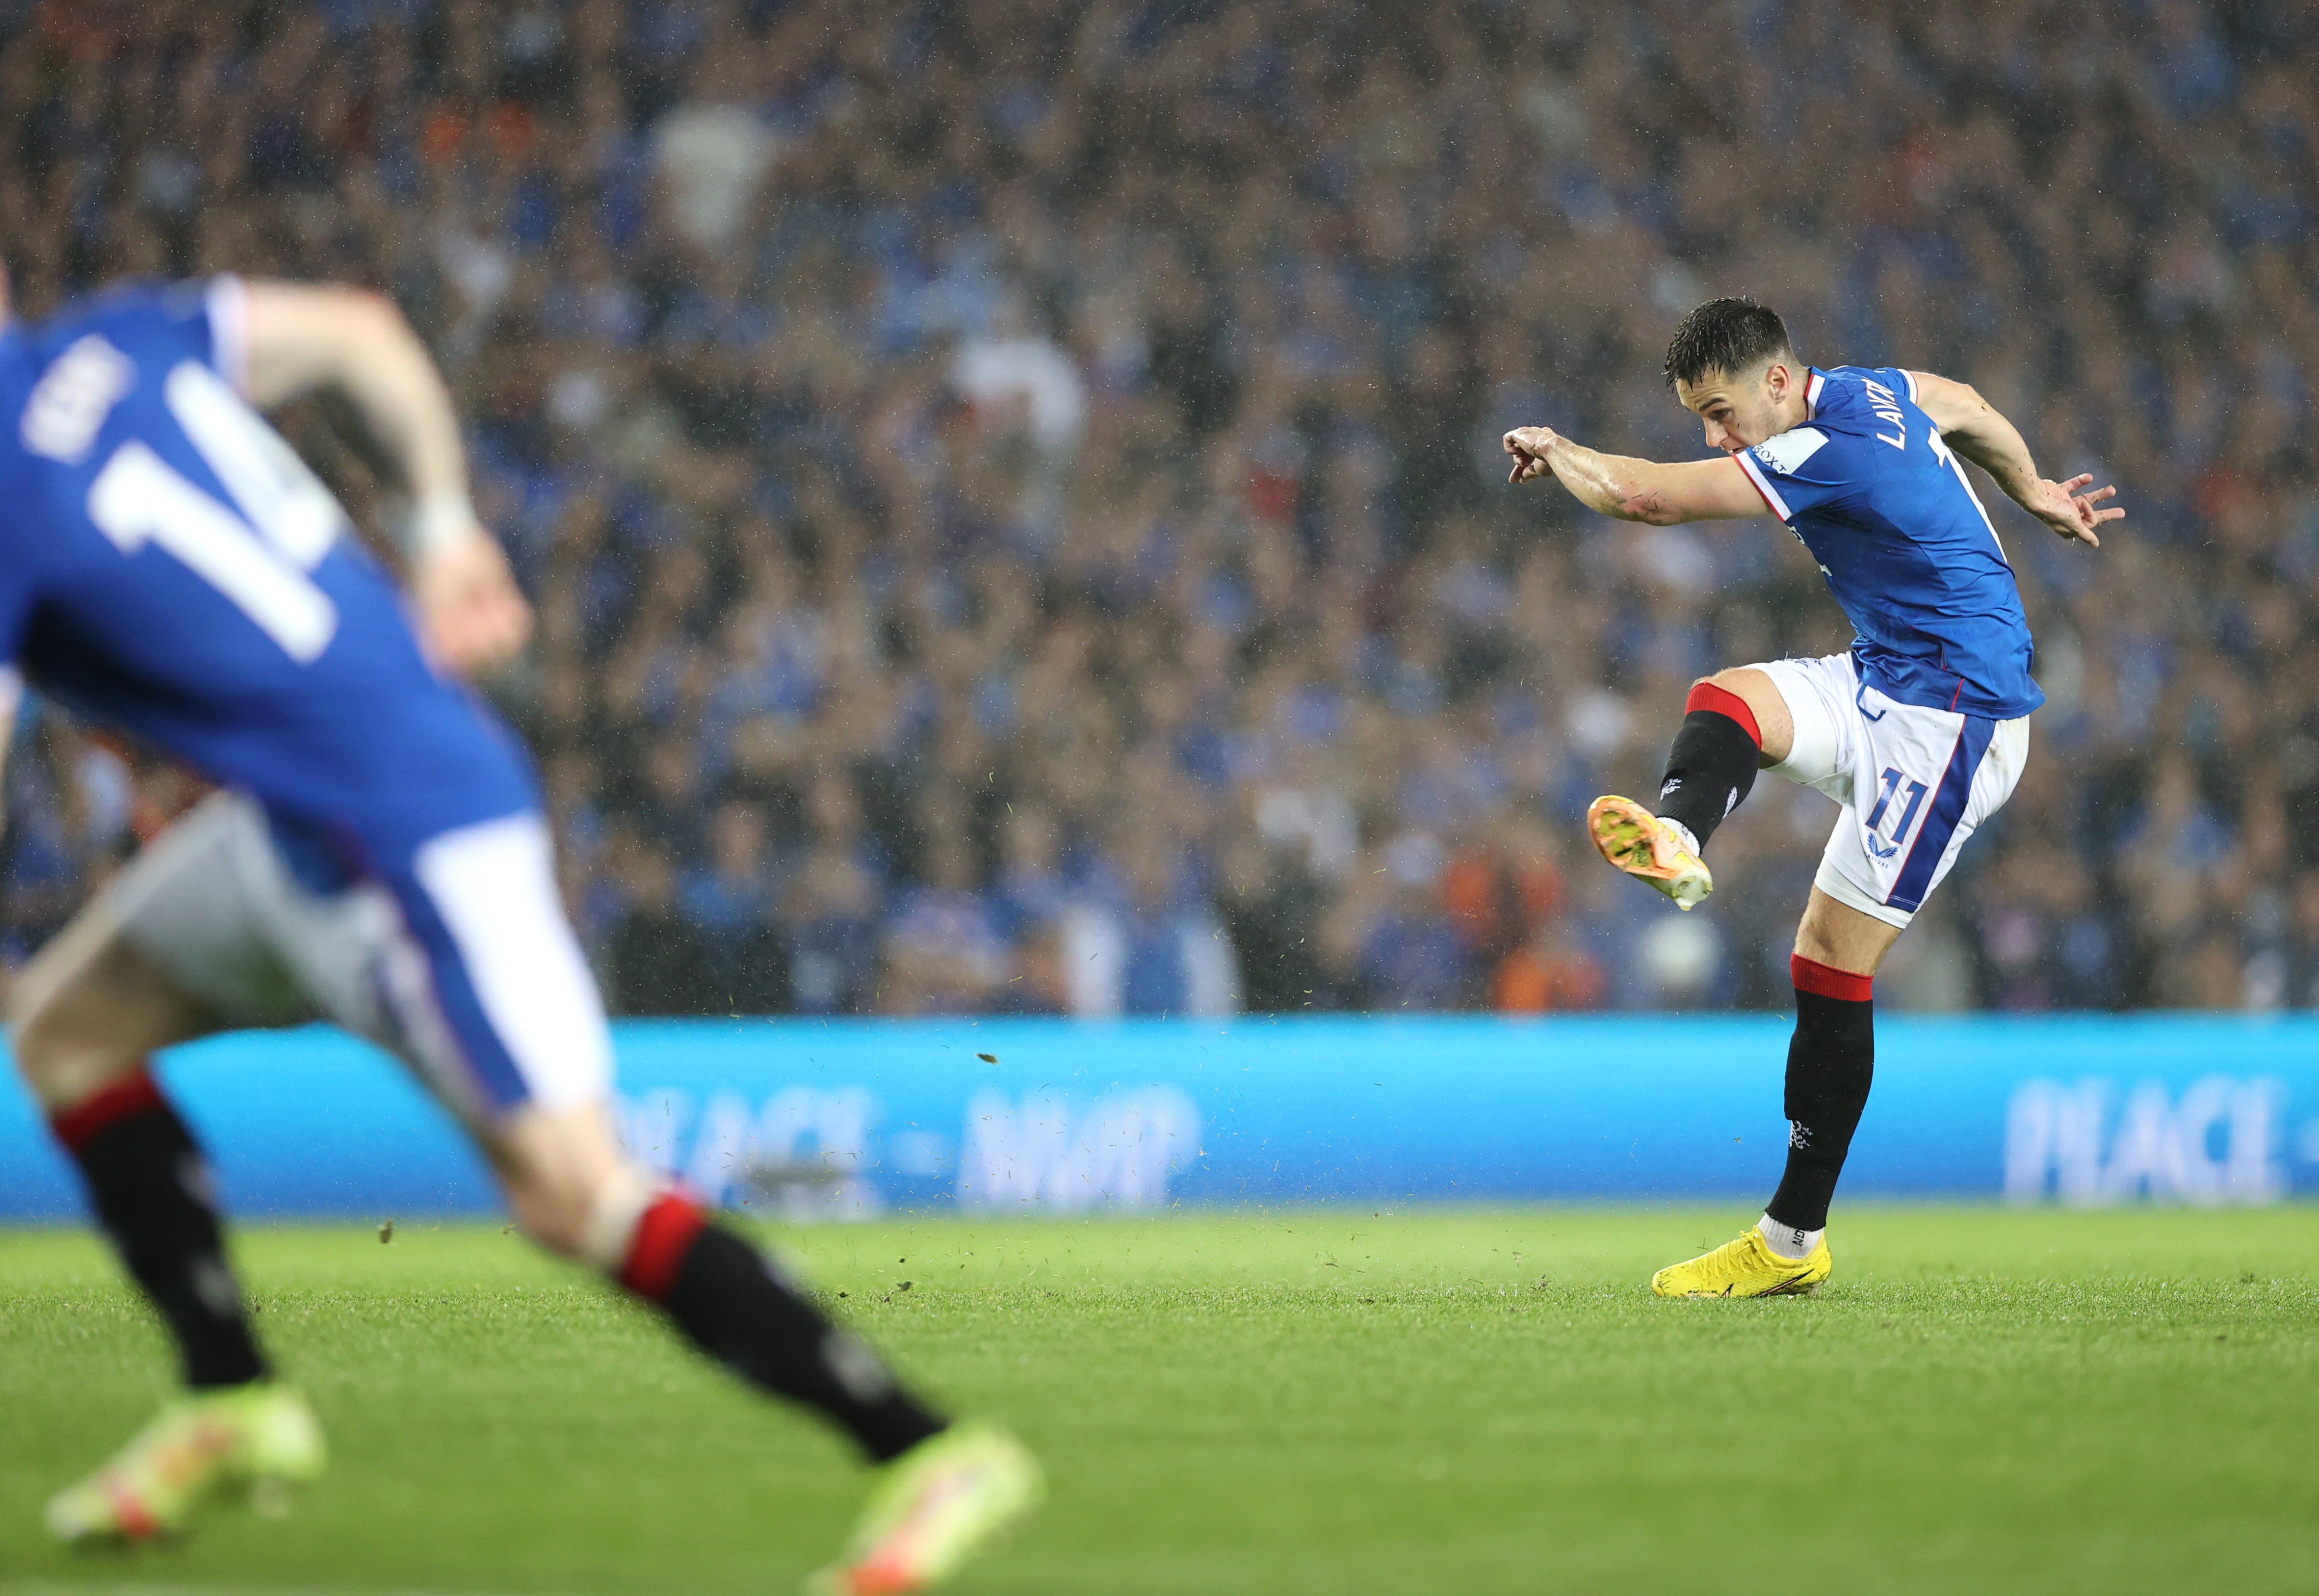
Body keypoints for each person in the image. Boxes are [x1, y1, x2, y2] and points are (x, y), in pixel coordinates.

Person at [2, 274, 1039, 1590]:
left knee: (572, 1194)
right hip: (307, 822)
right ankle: (233, 1395)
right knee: (72, 1029)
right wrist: (443, 533)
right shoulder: (116, 340)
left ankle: (930, 1445)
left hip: (404, 843)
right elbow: (368, 332)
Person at [1504, 297, 2121, 1298]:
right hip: (1887, 678)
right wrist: (2033, 487)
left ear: (1780, 384)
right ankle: (1677, 832)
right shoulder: (1877, 392)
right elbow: (1960, 403)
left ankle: (1792, 1242)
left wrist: (1559, 447)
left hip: (1955, 723)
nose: (1714, 435)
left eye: (1721, 411)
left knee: (1831, 962)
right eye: (1701, 418)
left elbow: (1644, 496)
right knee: (1730, 698)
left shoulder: (1827, 450)